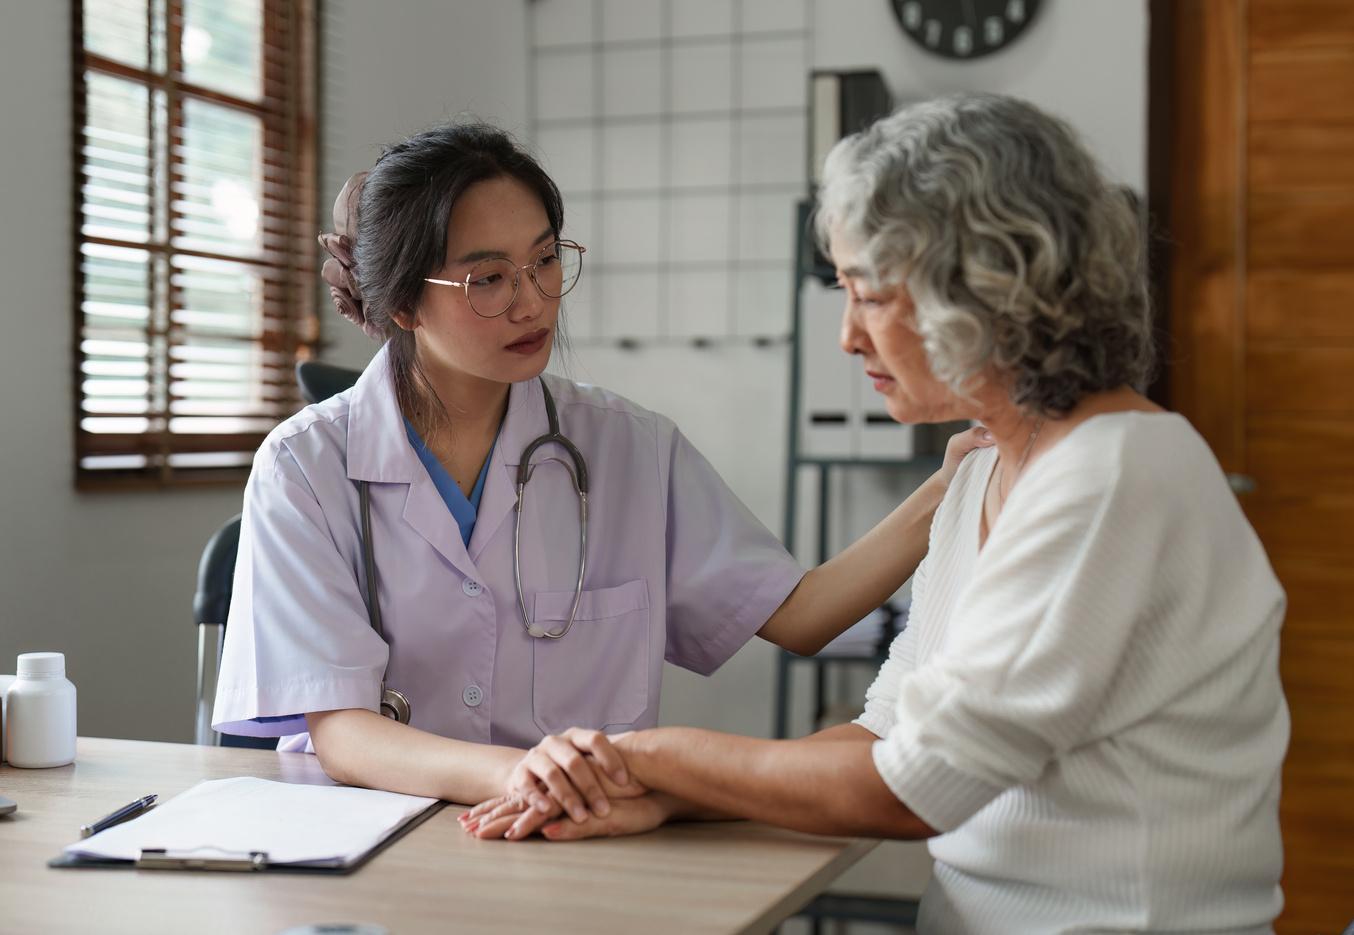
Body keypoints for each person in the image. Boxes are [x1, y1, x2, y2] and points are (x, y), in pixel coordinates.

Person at [464, 95, 1290, 935]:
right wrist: (666, 796)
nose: (848, 338)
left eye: (869, 295)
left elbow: (909, 785)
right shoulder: (982, 474)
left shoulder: (1114, 474)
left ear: (985, 287)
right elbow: (886, 731)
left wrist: (646, 755)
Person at [211, 123, 986, 818]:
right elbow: (343, 733)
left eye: (545, 260)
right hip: (373, 844)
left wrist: (950, 483)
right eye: (489, 278)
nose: (533, 301)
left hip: (572, 842)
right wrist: (532, 772)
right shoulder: (305, 467)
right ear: (404, 303)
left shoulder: (629, 448)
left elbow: (801, 613)